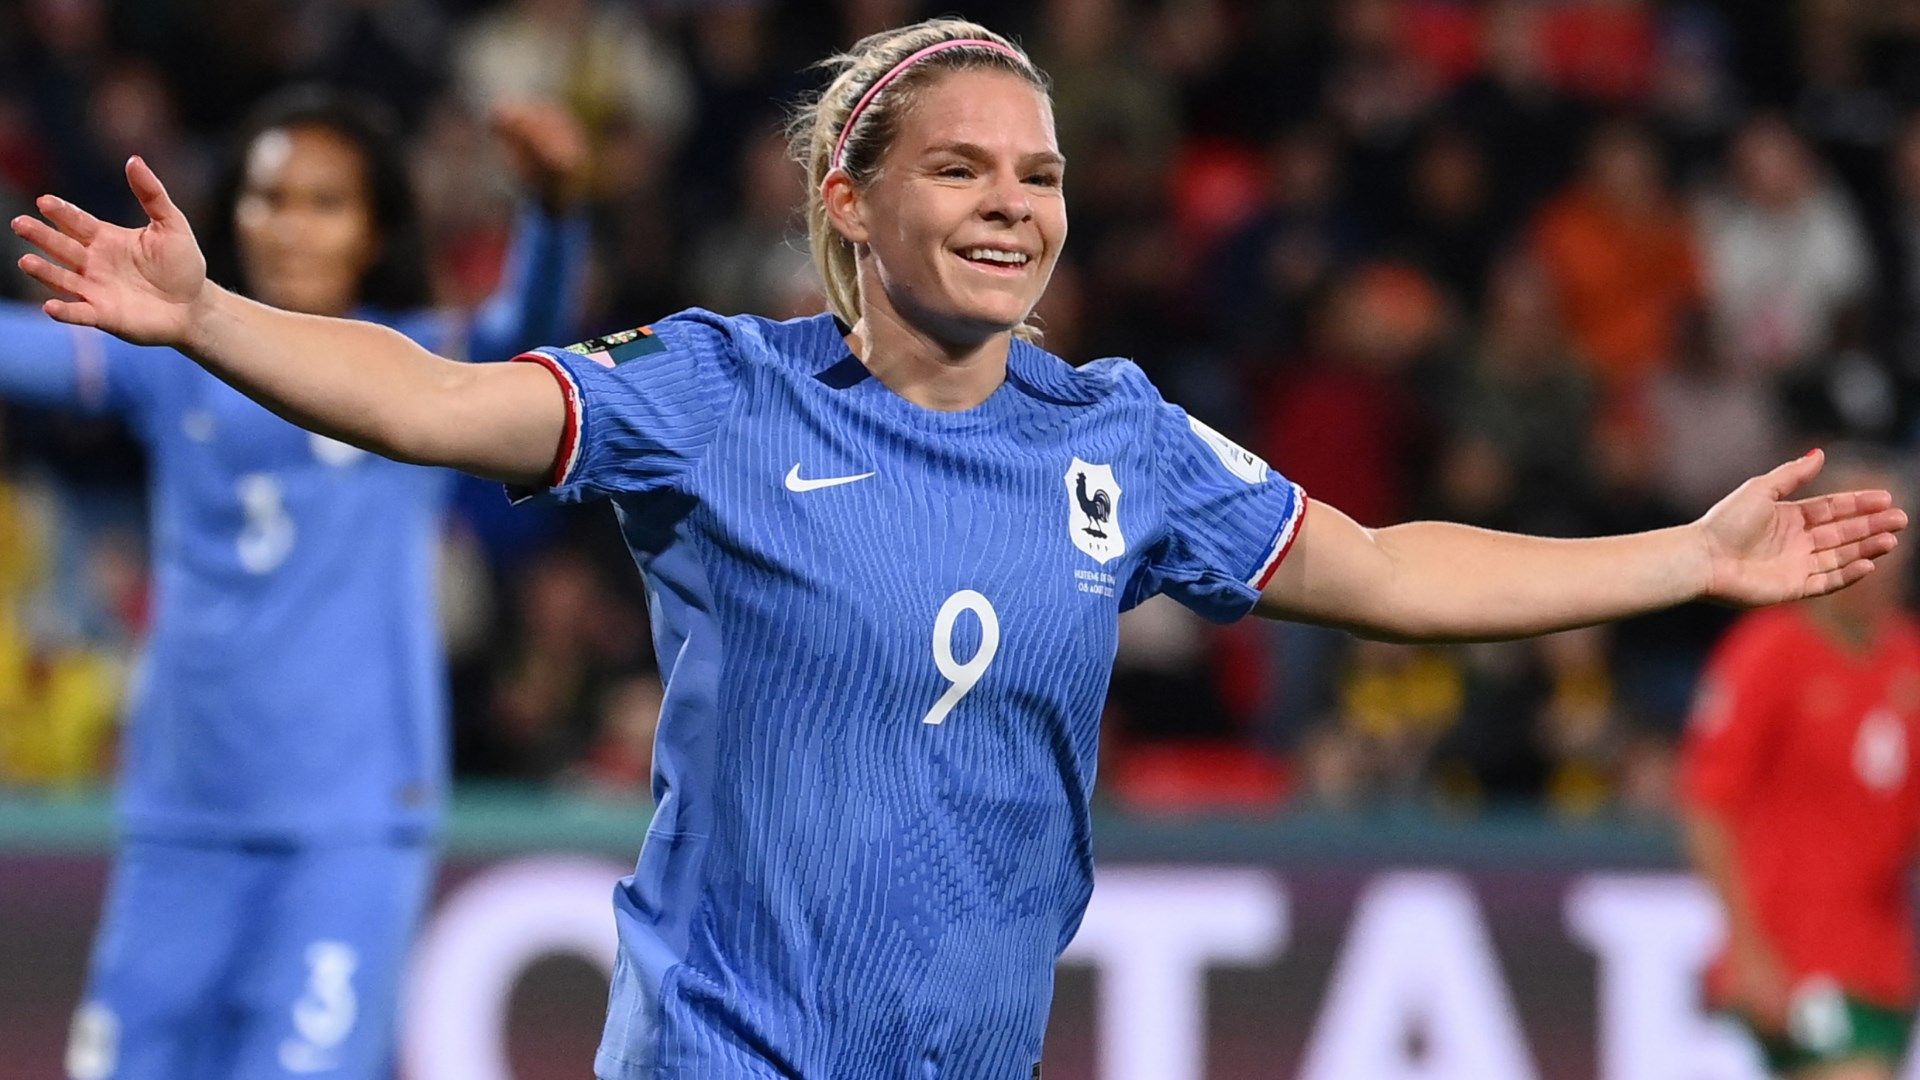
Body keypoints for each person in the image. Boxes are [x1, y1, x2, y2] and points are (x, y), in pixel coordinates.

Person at [12, 19, 1907, 1079]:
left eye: (1045, 174)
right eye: (964, 166)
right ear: (848, 195)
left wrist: (1686, 552)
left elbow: (1393, 568)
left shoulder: (1120, 440)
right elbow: (437, 403)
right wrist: (213, 322)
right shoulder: (718, 396)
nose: (1017, 204)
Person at [4, 87, 587, 1079]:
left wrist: (556, 213)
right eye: (269, 197)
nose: (290, 224)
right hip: (182, 819)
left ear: (372, 230)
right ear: (233, 211)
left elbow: (525, 335)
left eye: (325, 201)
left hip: (347, 828)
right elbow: (22, 352)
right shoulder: (169, 355)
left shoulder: (419, 367)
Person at [1681, 454, 1920, 1080]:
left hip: (1882, 963)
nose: (1879, 558)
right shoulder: (1769, 652)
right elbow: (1709, 804)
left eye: (1891, 535)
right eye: (1858, 532)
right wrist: (1749, 951)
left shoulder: (1909, 665)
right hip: (1795, 956)